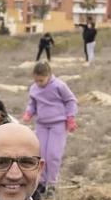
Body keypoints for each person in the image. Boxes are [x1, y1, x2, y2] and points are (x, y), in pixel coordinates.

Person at [21, 61, 78, 192]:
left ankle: (52, 183)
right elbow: (32, 103)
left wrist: (71, 117)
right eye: (36, 80)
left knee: (53, 154)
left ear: (49, 75)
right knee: (40, 154)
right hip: (42, 124)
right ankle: (41, 182)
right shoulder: (34, 88)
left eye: (41, 80)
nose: (39, 83)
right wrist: (29, 113)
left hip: (58, 123)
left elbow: (71, 100)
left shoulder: (59, 86)